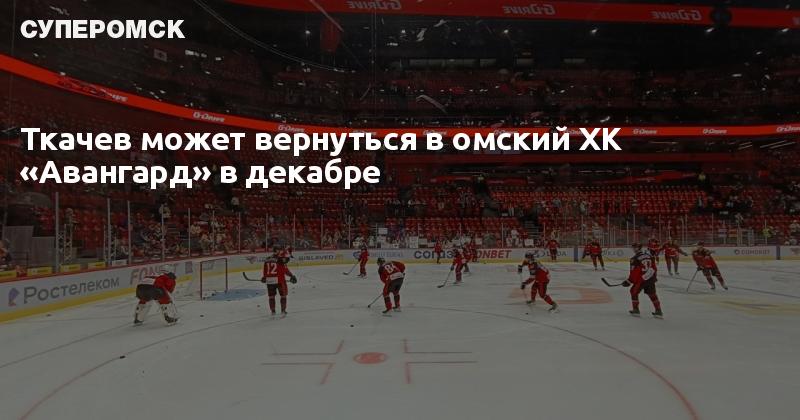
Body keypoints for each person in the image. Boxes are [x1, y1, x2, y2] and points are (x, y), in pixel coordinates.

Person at [623, 243, 663, 318]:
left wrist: (629, 281)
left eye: (635, 247)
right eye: (633, 247)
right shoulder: (649, 256)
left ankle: (636, 310)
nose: (633, 249)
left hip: (641, 280)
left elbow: (634, 272)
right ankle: (658, 310)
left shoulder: (634, 259)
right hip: (650, 278)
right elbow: (654, 268)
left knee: (633, 292)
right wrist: (653, 277)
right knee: (652, 294)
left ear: (638, 248)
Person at [261, 247, 298, 317]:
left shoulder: (267, 259)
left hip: (270, 281)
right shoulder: (280, 259)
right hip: (280, 280)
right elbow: (285, 270)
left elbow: (265, 269)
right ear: (277, 251)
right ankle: (283, 311)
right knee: (283, 295)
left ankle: (273, 311)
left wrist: (264, 277)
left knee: (271, 296)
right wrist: (291, 276)